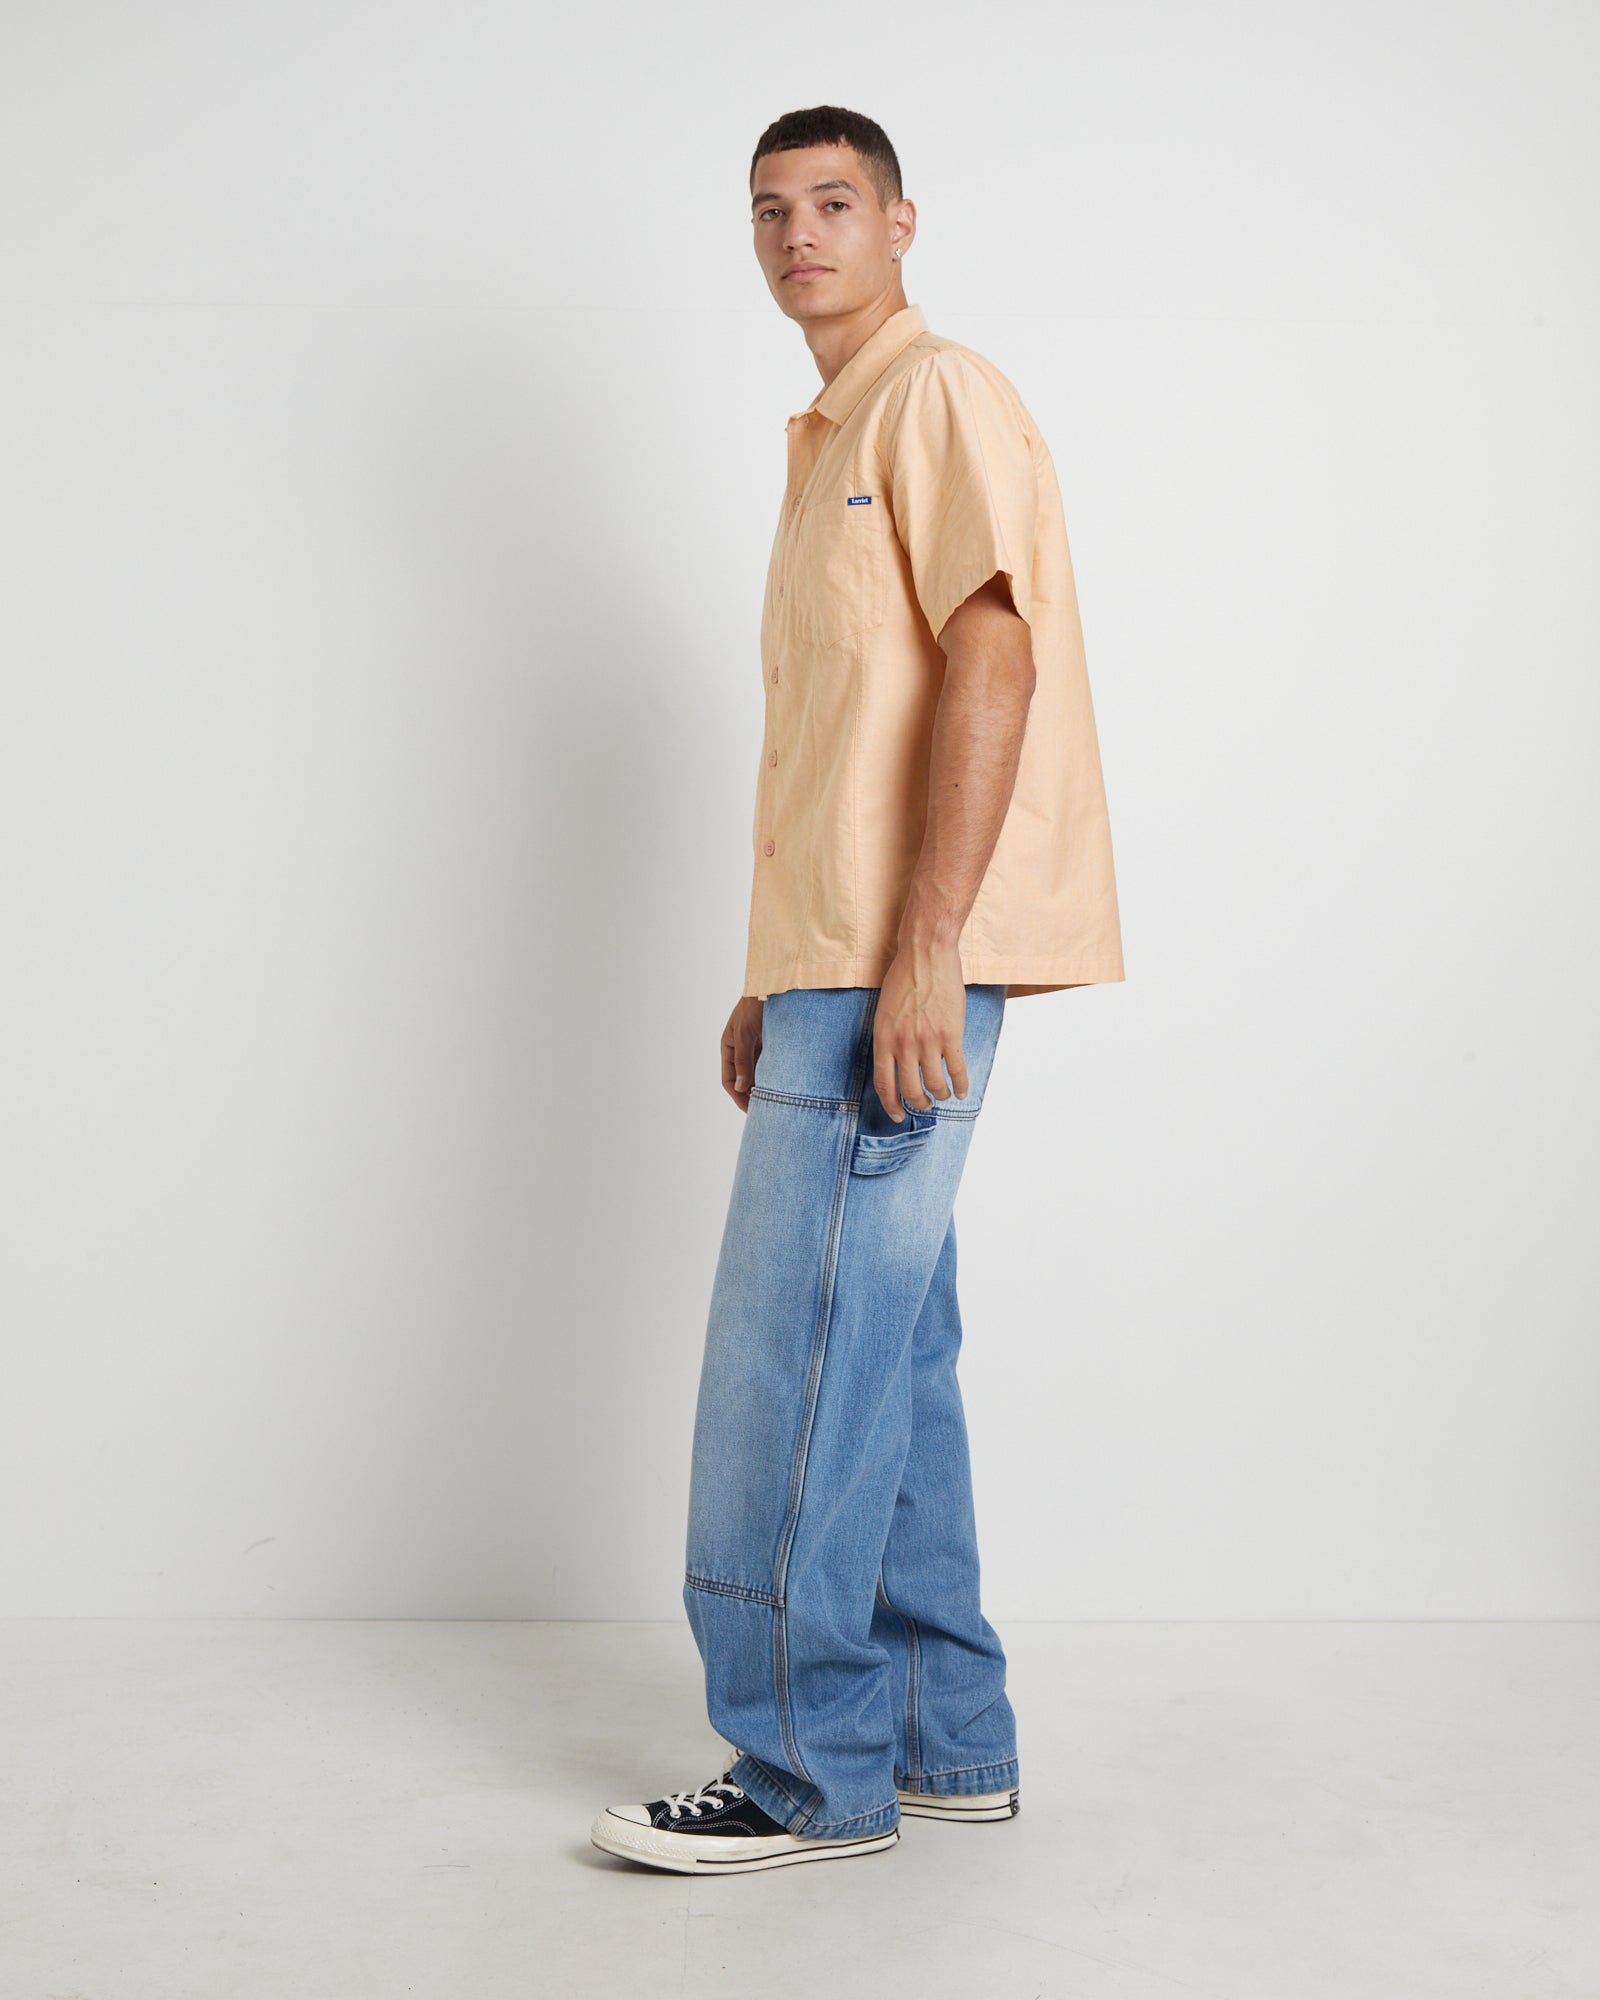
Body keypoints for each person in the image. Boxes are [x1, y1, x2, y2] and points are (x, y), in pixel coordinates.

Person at [590, 104, 1124, 1874]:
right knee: (888, 1353)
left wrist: (924, 947)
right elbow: (846, 735)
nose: (797, 234)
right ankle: (940, 1740)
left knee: (792, 1359)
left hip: (902, 961)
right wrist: (781, 974)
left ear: (903, 222)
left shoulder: (934, 394)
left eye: (833, 202)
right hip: (841, 965)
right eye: (769, 210)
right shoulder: (831, 435)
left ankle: (803, 1770)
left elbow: (993, 651)